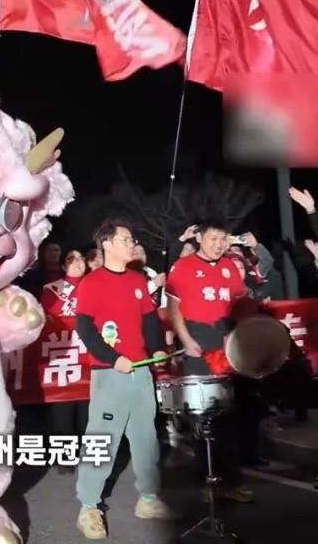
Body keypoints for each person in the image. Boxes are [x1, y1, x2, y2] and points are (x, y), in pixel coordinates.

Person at [74, 218, 178, 540]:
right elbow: (85, 328)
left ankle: (148, 497)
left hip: (141, 372)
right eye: (126, 239)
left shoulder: (137, 281)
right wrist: (112, 357)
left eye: (132, 239)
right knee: (103, 438)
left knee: (146, 437)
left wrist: (157, 348)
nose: (132, 244)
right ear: (106, 244)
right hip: (111, 372)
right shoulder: (91, 283)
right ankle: (89, 506)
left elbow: (150, 321)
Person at [165, 219, 253, 502]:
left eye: (223, 239)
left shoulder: (229, 267)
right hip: (197, 344)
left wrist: (239, 337)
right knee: (204, 418)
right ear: (200, 238)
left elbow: (241, 306)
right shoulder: (183, 267)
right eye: (213, 238)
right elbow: (174, 309)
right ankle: (206, 480)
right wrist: (186, 339)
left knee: (229, 416)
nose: (219, 244)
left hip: (226, 344)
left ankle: (231, 481)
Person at [41, 249, 88, 474]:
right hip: (62, 359)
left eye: (81, 258)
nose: (78, 262)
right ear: (63, 266)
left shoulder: (94, 286)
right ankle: (64, 459)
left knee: (87, 414)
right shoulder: (52, 289)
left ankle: (89, 458)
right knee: (62, 412)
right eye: (71, 259)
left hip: (88, 361)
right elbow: (44, 320)